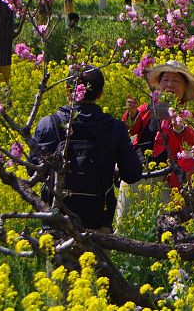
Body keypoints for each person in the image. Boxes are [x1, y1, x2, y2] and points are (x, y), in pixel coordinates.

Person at [29, 66, 143, 232]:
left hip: (55, 219)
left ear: (67, 89)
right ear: (100, 93)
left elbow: (33, 172)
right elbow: (132, 175)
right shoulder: (114, 127)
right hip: (98, 220)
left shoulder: (49, 124)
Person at [118, 61, 194, 222]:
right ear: (159, 84)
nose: (170, 85)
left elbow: (192, 143)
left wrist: (179, 127)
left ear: (184, 88)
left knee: (164, 228)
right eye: (165, 80)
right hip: (137, 175)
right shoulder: (147, 109)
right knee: (124, 223)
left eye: (176, 81)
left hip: (166, 182)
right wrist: (131, 114)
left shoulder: (188, 118)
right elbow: (130, 129)